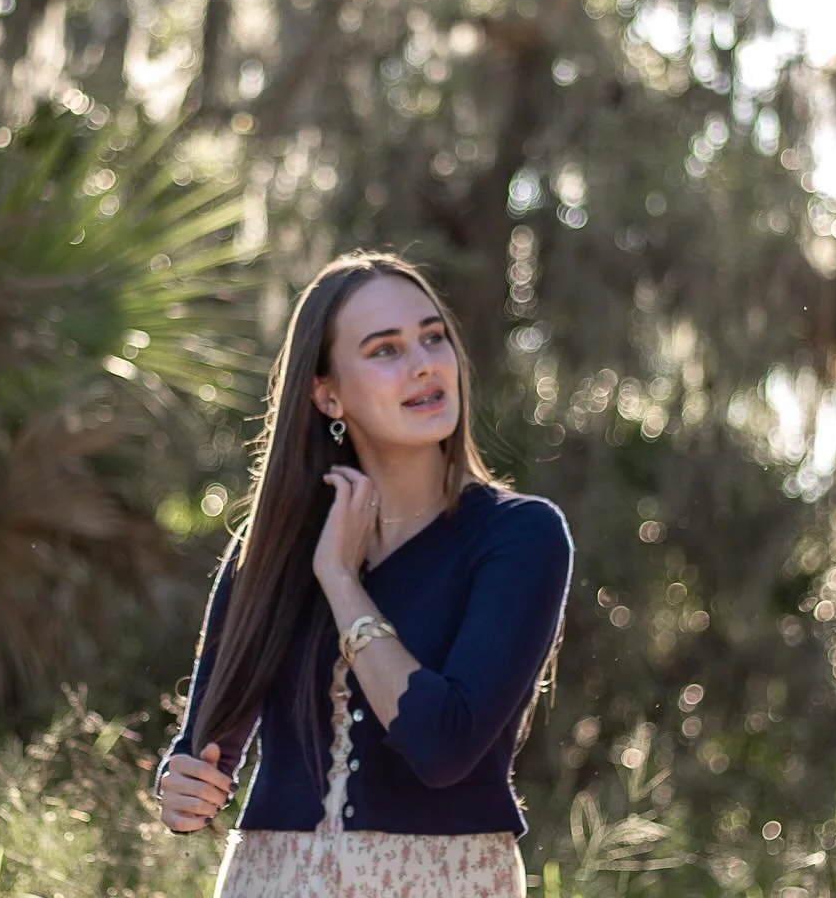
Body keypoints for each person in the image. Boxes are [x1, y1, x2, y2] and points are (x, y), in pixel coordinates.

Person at [153, 251, 574, 897]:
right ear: (328, 393)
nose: (424, 363)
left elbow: (442, 746)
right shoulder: (267, 550)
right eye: (385, 350)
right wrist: (181, 785)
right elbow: (204, 750)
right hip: (272, 880)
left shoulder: (521, 536)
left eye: (433, 338)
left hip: (447, 882)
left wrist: (342, 583)